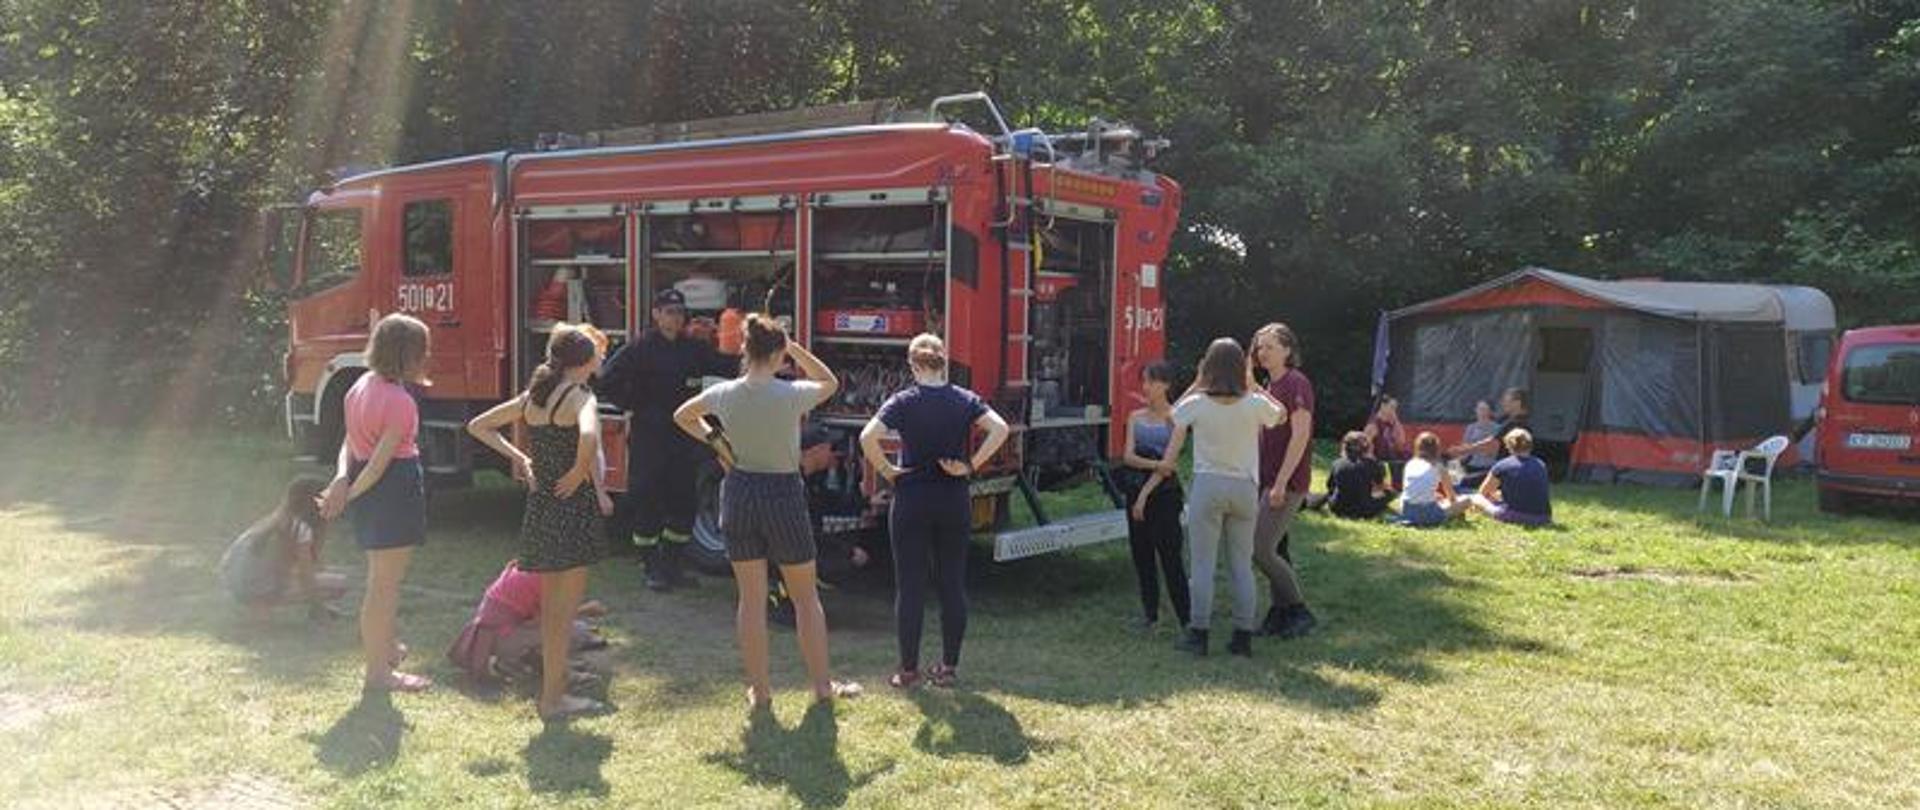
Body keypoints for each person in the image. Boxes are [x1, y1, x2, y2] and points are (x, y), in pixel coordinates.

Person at [674, 314, 861, 709]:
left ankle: (760, 691)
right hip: (782, 492)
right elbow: (829, 381)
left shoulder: (724, 392)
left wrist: (719, 445)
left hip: (739, 490)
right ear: (778, 353)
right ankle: (823, 687)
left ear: (744, 349)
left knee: (751, 600)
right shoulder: (790, 393)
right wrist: (793, 346)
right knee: (806, 598)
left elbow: (683, 416)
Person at [467, 324, 613, 720]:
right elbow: (590, 437)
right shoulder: (581, 396)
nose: (602, 358)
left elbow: (478, 425)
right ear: (583, 362)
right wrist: (581, 471)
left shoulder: (535, 396)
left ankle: (555, 688)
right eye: (597, 355)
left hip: (542, 505)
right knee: (562, 615)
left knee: (552, 611)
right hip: (572, 506)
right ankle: (553, 699)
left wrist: (524, 459)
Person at [860, 334, 1010, 689]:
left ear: (913, 366)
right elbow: (1000, 429)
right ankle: (948, 667)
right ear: (944, 362)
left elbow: (868, 437)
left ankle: (908, 669)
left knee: (910, 587)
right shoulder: (964, 399)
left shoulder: (903, 401)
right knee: (952, 585)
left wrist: (888, 471)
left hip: (911, 498)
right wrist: (970, 465)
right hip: (952, 498)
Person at [1147, 338, 1283, 658]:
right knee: (1241, 565)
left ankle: (1199, 633)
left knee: (1203, 564)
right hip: (1245, 487)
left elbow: (1170, 416)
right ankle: (1242, 635)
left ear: (1207, 367)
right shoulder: (1253, 403)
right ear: (1242, 367)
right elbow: (1280, 415)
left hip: (1208, 485)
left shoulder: (1198, 403)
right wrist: (1255, 385)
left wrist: (1197, 382)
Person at [320, 313, 433, 693]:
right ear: (407, 355)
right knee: (384, 588)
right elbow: (381, 464)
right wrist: (347, 494)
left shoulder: (360, 385)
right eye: (422, 351)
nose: (426, 358)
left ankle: (384, 651)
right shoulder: (400, 402)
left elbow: (350, 445)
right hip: (392, 489)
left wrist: (341, 481)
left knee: (379, 583)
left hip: (372, 492)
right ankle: (379, 674)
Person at [598, 288, 740, 591]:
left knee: (683, 501)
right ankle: (650, 567)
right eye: (669, 312)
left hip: (684, 437)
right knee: (648, 499)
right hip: (650, 435)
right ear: (656, 314)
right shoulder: (641, 348)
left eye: (679, 312)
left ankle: (672, 566)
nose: (675, 318)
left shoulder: (693, 348)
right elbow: (607, 379)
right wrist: (635, 403)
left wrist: (760, 364)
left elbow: (724, 366)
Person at [1249, 323, 1318, 639]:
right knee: (1278, 548)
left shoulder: (1296, 382)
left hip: (1286, 483)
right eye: (1260, 347)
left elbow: (1300, 435)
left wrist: (1280, 483)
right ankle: (1280, 614)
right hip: (1267, 480)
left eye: (1270, 347)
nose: (1262, 352)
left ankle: (1300, 610)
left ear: (1288, 350)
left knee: (1260, 549)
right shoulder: (1270, 386)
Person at [446, 559, 609, 691]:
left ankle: (516, 662)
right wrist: (586, 610)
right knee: (572, 631)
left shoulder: (527, 566)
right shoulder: (548, 578)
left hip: (493, 634)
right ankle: (564, 675)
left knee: (570, 627)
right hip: (500, 636)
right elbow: (546, 621)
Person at [218, 475, 348, 625]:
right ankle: (262, 602)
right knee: (339, 584)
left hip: (233, 582)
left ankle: (260, 605)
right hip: (257, 586)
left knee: (318, 575)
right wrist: (318, 608)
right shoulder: (301, 529)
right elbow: (306, 575)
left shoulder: (277, 519)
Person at [1121, 362, 1192, 632]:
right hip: (1135, 489)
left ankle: (1186, 619)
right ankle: (1150, 615)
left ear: (1165, 385)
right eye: (1144, 381)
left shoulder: (1176, 420)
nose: (1145, 387)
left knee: (1170, 557)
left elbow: (1169, 465)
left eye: (1150, 382)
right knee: (1142, 556)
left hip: (1164, 496)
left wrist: (1143, 497)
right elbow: (1129, 456)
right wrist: (1154, 466)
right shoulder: (1135, 417)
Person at [1469, 428, 1553, 526]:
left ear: (1508, 446)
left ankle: (1474, 510)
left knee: (1477, 498)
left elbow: (1483, 492)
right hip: (1544, 518)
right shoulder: (1541, 464)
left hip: (1515, 516)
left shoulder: (1502, 465)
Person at [1453, 387, 1531, 489]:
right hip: (1505, 470)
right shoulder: (1513, 421)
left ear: (1517, 403)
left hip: (1508, 472)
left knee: (1463, 482)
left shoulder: (1516, 423)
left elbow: (1491, 443)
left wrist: (1465, 449)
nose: (1503, 403)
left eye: (1506, 401)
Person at [1398, 432, 1469, 527]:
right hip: (1428, 514)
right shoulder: (1439, 467)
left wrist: (1434, 496)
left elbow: (1409, 489)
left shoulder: (1410, 464)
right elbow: (1452, 498)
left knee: (1436, 499)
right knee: (1467, 500)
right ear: (1436, 449)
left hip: (1406, 511)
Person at [1323, 431, 1394, 520]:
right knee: (1390, 493)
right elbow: (1381, 486)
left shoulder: (1337, 463)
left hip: (1337, 507)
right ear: (1367, 447)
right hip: (1363, 510)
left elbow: (1330, 486)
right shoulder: (1372, 464)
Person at [1364, 395, 1411, 489]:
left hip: (1391, 455)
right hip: (1378, 458)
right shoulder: (1373, 424)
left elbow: (1401, 441)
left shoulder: (1391, 423)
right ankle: (1392, 487)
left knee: (1408, 456)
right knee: (1395, 463)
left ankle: (1402, 487)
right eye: (1392, 407)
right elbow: (1365, 447)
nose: (1394, 411)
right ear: (1382, 406)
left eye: (1395, 408)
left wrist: (1396, 421)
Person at [1460, 399, 1500, 476]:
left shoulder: (1497, 428)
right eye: (1479, 409)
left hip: (1490, 467)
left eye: (1484, 409)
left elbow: (1496, 450)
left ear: (1490, 412)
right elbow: (1465, 448)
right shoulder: (1471, 428)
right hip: (1473, 466)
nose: (1482, 412)